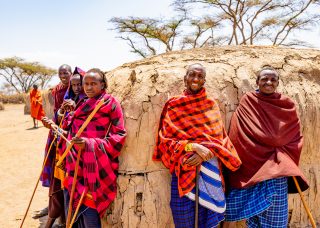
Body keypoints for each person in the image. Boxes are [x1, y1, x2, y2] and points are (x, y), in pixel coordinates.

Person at [153, 63, 241, 228]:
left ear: (204, 80)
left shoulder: (210, 105)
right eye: (192, 75)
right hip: (184, 168)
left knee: (208, 218)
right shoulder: (174, 105)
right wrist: (192, 147)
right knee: (182, 214)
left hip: (209, 167)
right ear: (185, 78)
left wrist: (202, 154)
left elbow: (219, 139)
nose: (195, 79)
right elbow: (166, 141)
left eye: (200, 76)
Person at [223, 66, 309, 228]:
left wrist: (278, 144)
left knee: (276, 219)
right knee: (243, 217)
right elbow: (238, 134)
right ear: (257, 82)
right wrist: (269, 142)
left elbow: (294, 136)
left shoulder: (286, 104)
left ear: (277, 83)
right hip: (252, 166)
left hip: (277, 167)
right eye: (264, 79)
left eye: (273, 79)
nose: (268, 82)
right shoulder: (249, 101)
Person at [47, 68, 126, 227]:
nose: (89, 88)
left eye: (93, 84)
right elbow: (71, 131)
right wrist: (56, 128)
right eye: (86, 84)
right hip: (74, 162)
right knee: (73, 210)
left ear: (102, 84)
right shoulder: (82, 103)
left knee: (89, 211)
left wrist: (90, 144)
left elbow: (119, 135)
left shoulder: (109, 103)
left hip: (93, 165)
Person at [37, 64, 72, 227]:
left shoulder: (76, 88)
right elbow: (53, 112)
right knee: (54, 173)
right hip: (56, 133)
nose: (63, 75)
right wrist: (51, 122)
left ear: (71, 73)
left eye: (66, 72)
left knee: (65, 177)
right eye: (61, 73)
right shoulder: (55, 91)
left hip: (69, 136)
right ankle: (53, 209)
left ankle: (62, 217)